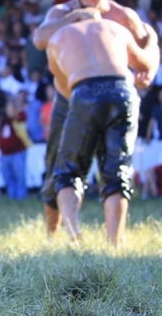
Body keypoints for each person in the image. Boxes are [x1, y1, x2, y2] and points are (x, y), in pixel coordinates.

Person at [32, 0, 159, 238]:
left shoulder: (122, 16)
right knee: (57, 163)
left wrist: (149, 72)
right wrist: (74, 18)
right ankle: (53, 234)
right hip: (68, 97)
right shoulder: (62, 11)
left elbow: (149, 47)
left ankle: (109, 237)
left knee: (111, 165)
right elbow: (39, 39)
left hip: (108, 90)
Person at [46, 16, 158, 245]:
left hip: (83, 90)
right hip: (122, 90)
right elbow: (146, 64)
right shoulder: (115, 28)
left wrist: (86, 113)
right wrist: (153, 40)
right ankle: (115, 241)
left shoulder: (58, 36)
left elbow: (64, 90)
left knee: (68, 171)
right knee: (118, 171)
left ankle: (73, 236)